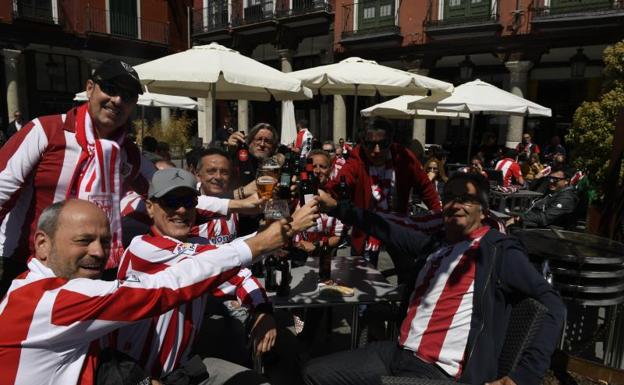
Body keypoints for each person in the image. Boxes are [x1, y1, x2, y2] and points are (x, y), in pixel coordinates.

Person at [0, 197, 313, 385]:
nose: (98, 252)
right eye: (83, 241)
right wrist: (258, 243)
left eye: (105, 241)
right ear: (42, 244)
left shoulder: (36, 289)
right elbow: (166, 286)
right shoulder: (51, 300)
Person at [307, 172, 565, 385]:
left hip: (437, 372)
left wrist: (525, 375)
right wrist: (338, 208)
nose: (455, 203)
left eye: (466, 198)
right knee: (314, 373)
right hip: (397, 353)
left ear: (484, 211)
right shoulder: (436, 245)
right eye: (450, 197)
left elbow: (553, 303)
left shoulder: (498, 250)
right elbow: (386, 229)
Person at [113, 168, 309, 383]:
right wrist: (284, 230)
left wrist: (262, 311)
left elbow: (239, 276)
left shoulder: (199, 244)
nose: (180, 210)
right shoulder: (143, 249)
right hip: (138, 377)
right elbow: (220, 259)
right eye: (170, 201)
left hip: (182, 370)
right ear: (150, 208)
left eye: (188, 202)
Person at [0, 59, 155, 294]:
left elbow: (161, 192)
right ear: (90, 88)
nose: (118, 101)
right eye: (111, 89)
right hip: (24, 264)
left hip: (89, 268)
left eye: (128, 96)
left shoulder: (128, 153)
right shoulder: (46, 131)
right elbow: (2, 191)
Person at [326, 118, 441, 265]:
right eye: (370, 144)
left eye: (383, 144)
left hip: (399, 225)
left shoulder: (403, 156)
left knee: (406, 272)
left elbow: (425, 186)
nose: (377, 150)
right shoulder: (357, 157)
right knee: (359, 274)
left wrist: (439, 216)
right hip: (366, 227)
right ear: (362, 142)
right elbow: (340, 182)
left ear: (391, 141)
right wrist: (327, 193)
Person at [507, 168, 579, 229]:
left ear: (566, 181)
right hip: (531, 222)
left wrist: (520, 218)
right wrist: (536, 178)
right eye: (550, 178)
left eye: (555, 179)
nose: (551, 181)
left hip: (544, 233)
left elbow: (545, 219)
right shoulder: (554, 191)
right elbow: (531, 190)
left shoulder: (566, 198)